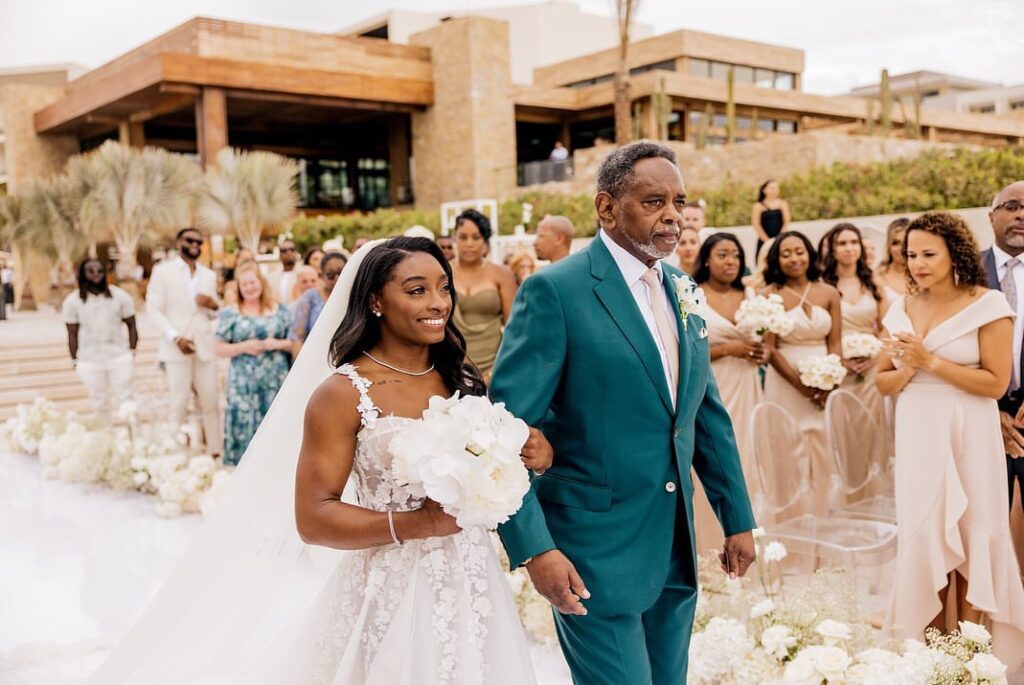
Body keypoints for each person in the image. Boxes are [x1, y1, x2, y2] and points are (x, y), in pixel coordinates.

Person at [88, 239, 550, 683]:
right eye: (417, 290)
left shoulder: (460, 378)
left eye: (443, 287)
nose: (438, 302)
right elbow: (313, 517)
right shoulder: (344, 393)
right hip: (391, 586)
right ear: (375, 301)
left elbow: (490, 474)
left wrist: (533, 456)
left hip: (474, 580)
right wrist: (417, 524)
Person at [491, 141, 756, 685]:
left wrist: (737, 518)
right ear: (606, 208)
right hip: (590, 550)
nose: (673, 216)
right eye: (654, 201)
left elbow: (703, 413)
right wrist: (535, 549)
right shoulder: (555, 291)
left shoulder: (683, 289)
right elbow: (503, 433)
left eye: (678, 201)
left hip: (673, 547)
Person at [877, 211, 1024, 670]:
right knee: (927, 531)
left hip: (971, 430)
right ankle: (933, 655)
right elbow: (882, 383)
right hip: (918, 428)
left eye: (928, 254)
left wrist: (930, 362)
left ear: (954, 252)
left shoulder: (989, 306)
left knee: (973, 528)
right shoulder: (902, 308)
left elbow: (996, 384)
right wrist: (908, 368)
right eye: (911, 254)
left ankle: (974, 656)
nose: (917, 263)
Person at [761, 231, 843, 517]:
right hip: (786, 386)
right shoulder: (769, 295)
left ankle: (821, 518)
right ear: (776, 260)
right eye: (786, 254)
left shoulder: (829, 292)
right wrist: (802, 386)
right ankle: (790, 527)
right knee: (788, 455)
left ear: (809, 253)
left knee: (822, 454)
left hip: (825, 388)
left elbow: (835, 343)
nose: (794, 258)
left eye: (799, 251)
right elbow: (769, 349)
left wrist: (830, 382)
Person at [692, 233, 766, 550]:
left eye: (736, 255)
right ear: (707, 259)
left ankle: (754, 541)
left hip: (750, 386)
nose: (731, 261)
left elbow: (765, 342)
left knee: (751, 461)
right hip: (713, 385)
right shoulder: (693, 294)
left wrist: (760, 352)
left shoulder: (751, 294)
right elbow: (686, 352)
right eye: (723, 255)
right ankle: (710, 547)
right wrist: (731, 349)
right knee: (716, 460)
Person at [146, 228, 222, 456]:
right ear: (179, 242)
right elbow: (153, 309)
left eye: (200, 241)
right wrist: (175, 337)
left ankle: (215, 452)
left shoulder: (208, 275)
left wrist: (213, 304)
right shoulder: (162, 272)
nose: (195, 245)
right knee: (178, 403)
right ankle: (175, 455)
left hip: (204, 347)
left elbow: (214, 314)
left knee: (211, 401)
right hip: (176, 346)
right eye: (190, 240)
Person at [216, 262, 293, 466]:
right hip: (243, 381)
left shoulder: (280, 311)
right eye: (245, 284)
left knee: (275, 420)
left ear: (261, 283)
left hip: (274, 378)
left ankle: (276, 467)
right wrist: (244, 347)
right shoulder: (230, 313)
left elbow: (296, 343)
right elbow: (219, 348)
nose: (250, 287)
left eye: (253, 282)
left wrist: (276, 343)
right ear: (239, 288)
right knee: (245, 420)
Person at [981, 182, 1024, 509]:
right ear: (991, 216)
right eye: (1011, 206)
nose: (1021, 215)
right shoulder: (963, 273)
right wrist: (990, 408)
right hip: (978, 412)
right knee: (983, 518)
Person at [821, 223, 887, 431]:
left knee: (874, 426)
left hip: (872, 367)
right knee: (844, 428)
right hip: (837, 367)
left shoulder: (875, 283)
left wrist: (875, 357)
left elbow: (885, 327)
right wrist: (840, 360)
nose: (849, 248)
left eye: (854, 242)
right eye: (842, 243)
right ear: (832, 249)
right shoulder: (823, 285)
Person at [62, 259, 138, 421]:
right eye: (91, 271)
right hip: (89, 360)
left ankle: (134, 440)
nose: (96, 274)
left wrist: (131, 352)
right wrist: (75, 359)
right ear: (83, 274)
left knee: (126, 401)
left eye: (100, 270)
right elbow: (72, 333)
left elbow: (132, 325)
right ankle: (105, 442)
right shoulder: (72, 301)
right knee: (99, 404)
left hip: (118, 356)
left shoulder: (120, 296)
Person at [450, 208, 517, 380]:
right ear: (454, 239)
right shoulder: (442, 272)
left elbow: (514, 328)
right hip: (451, 363)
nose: (469, 243)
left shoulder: (502, 274)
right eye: (463, 237)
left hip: (494, 365)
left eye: (476, 237)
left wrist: (496, 372)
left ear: (485, 241)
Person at [291, 252, 348, 349]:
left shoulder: (355, 297)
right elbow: (297, 339)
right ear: (322, 275)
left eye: (341, 273)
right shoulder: (310, 297)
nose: (336, 278)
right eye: (330, 274)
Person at [751, 180, 790, 259]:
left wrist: (779, 239)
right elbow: (756, 224)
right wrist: (767, 241)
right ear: (764, 190)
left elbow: (786, 222)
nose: (774, 190)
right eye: (771, 188)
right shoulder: (758, 206)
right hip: (764, 239)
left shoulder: (783, 203)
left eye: (776, 188)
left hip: (780, 239)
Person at [877, 217, 910, 300]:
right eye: (896, 243)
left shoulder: (924, 275)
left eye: (906, 242)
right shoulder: (878, 277)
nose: (902, 248)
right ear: (888, 246)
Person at [273, 238, 299, 305]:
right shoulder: (271, 277)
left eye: (292, 249)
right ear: (279, 255)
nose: (288, 253)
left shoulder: (305, 274)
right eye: (284, 251)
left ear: (296, 253)